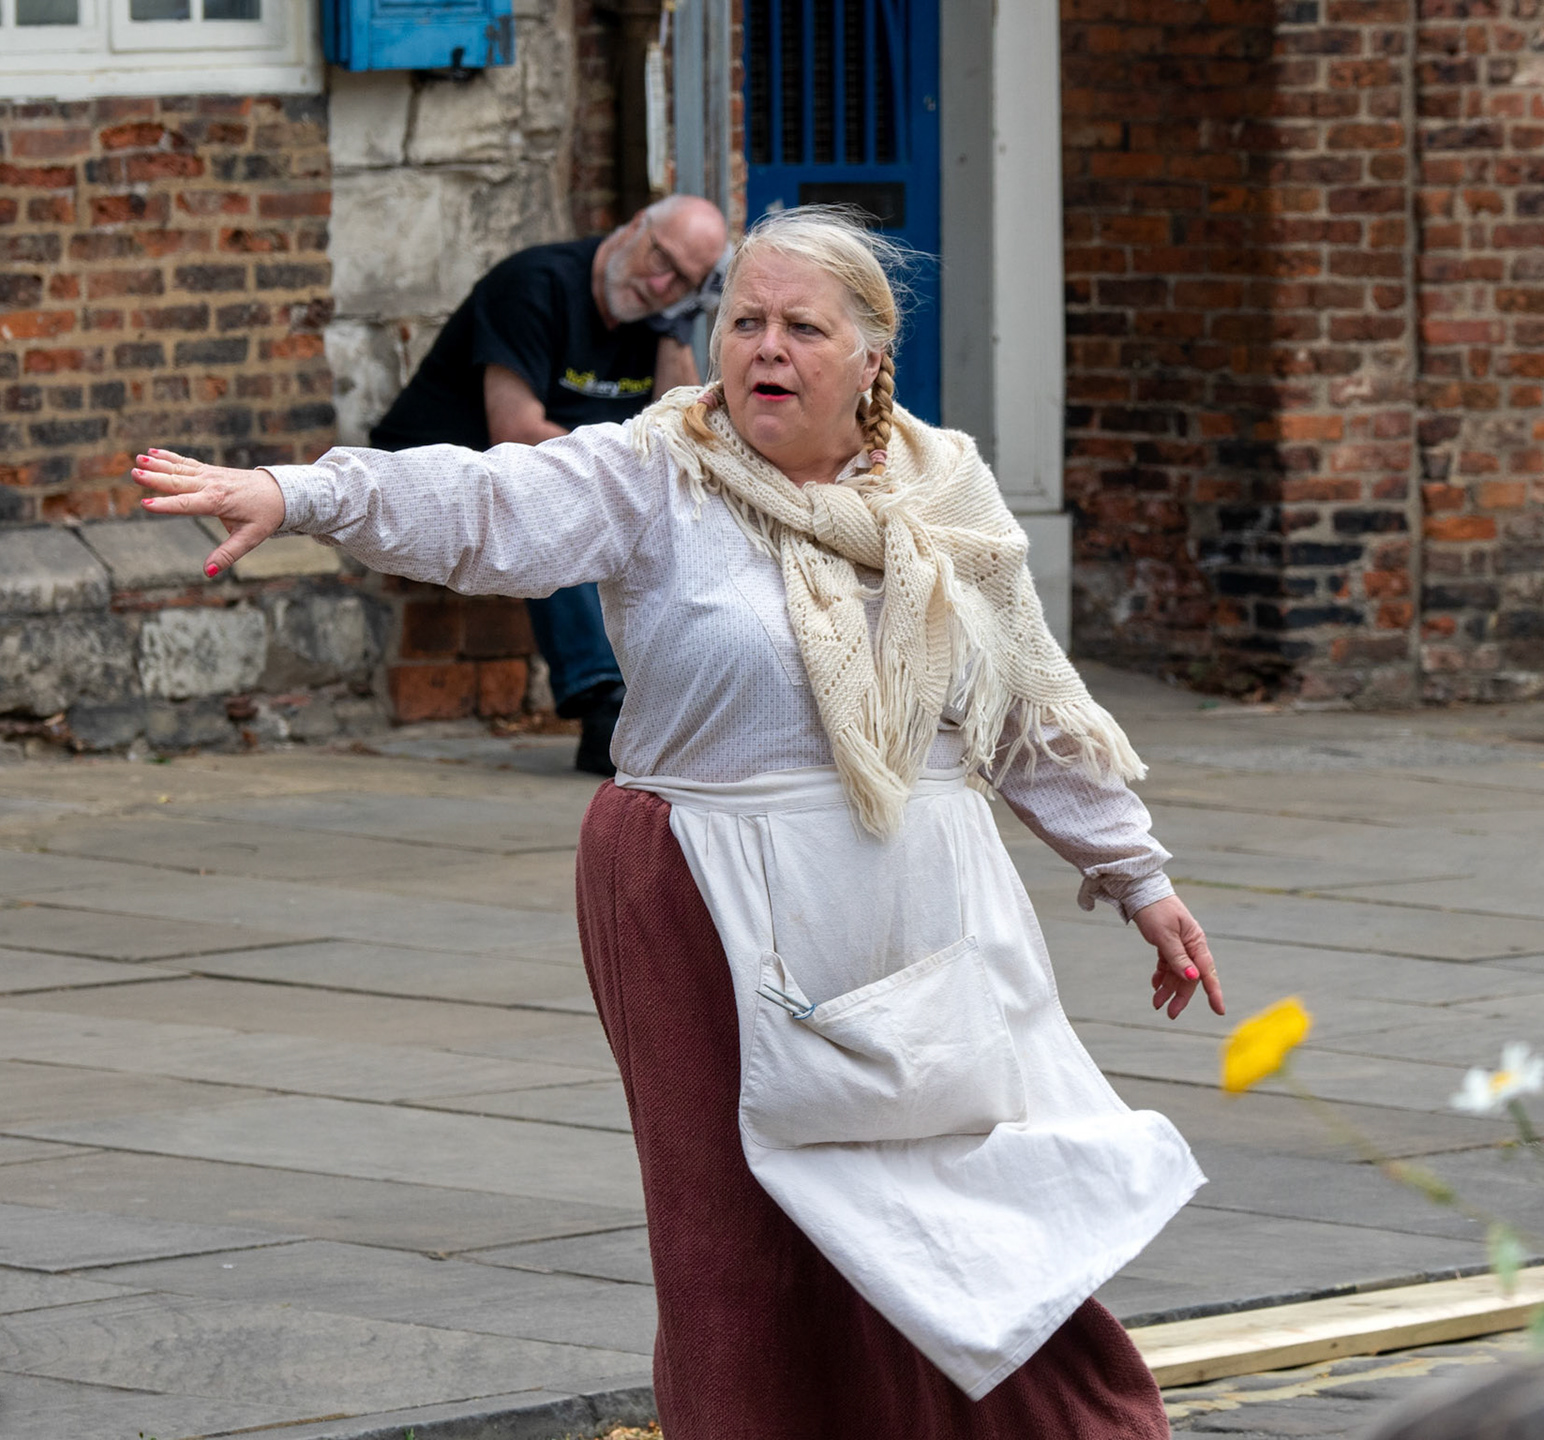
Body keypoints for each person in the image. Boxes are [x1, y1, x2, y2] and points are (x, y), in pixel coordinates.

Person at [132, 206, 1227, 1439]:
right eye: (744, 321)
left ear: (872, 356)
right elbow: (483, 503)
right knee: (741, 1229)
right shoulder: (660, 468)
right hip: (706, 882)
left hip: (924, 888)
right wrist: (297, 493)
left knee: (983, 1191)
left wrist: (1137, 876)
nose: (766, 348)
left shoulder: (949, 493)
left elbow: (1027, 706)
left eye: (801, 326)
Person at [368, 194, 729, 774]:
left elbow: (682, 438)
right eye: (660, 258)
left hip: (545, 473)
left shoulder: (657, 314)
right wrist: (623, 477)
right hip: (433, 475)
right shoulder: (535, 285)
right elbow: (514, 431)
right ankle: (603, 698)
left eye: (683, 282)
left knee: (669, 502)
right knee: (566, 496)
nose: (661, 283)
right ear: (634, 226)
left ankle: (674, 693)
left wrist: (675, 331)